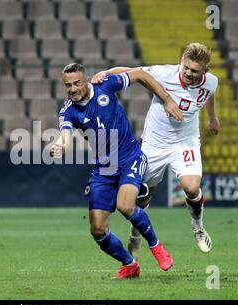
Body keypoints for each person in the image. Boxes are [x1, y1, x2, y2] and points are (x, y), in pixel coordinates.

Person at [51, 63, 182, 279]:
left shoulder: (106, 86)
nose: (72, 89)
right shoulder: (68, 110)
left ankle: (157, 246)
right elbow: (64, 134)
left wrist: (167, 100)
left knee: (125, 205)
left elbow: (140, 74)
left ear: (87, 80)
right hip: (104, 169)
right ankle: (130, 265)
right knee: (97, 229)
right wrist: (61, 145)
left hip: (131, 158)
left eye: (76, 83)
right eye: (67, 86)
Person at [92, 43, 220, 257]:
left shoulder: (212, 82)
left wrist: (212, 117)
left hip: (185, 141)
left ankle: (197, 226)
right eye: (185, 67)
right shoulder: (164, 74)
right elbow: (134, 72)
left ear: (204, 72)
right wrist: (105, 73)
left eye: (194, 71)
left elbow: (209, 94)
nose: (188, 73)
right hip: (155, 143)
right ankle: (135, 234)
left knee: (191, 187)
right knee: (142, 197)